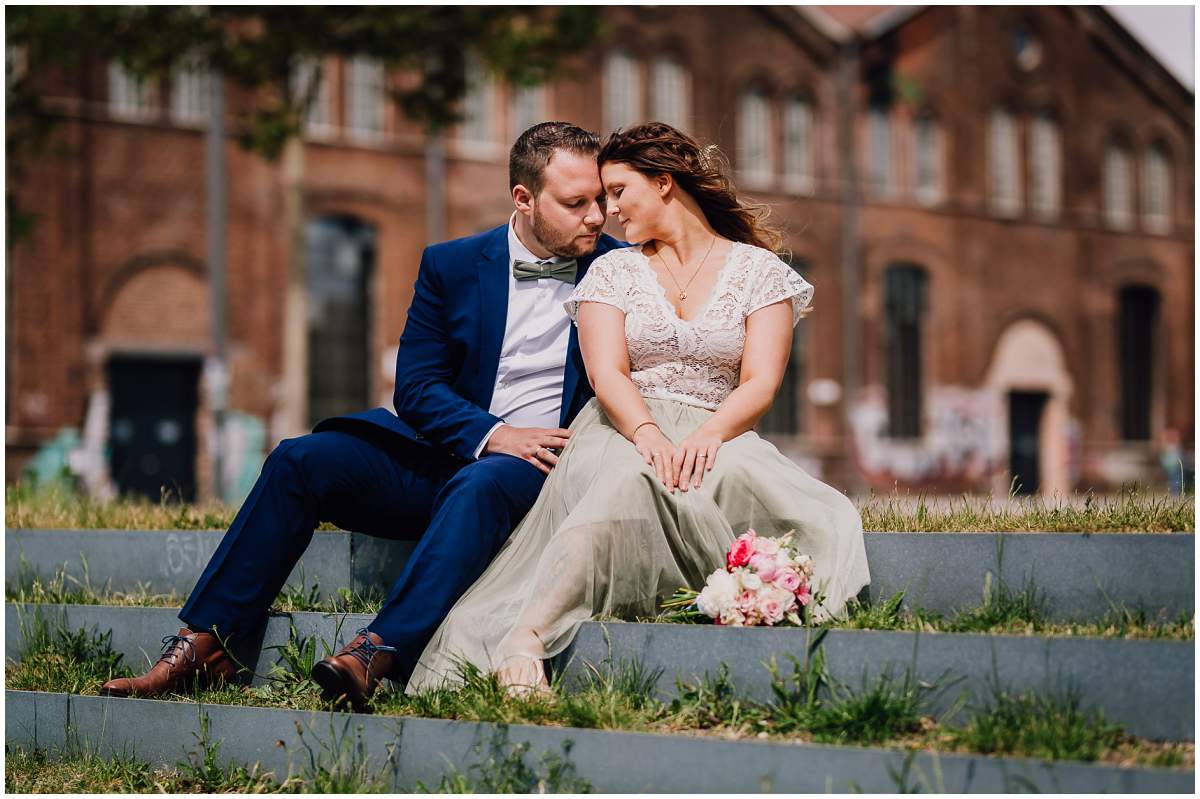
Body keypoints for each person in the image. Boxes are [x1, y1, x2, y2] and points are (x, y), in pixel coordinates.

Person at [99, 122, 623, 711]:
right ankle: (207, 645)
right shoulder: (450, 265)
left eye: (600, 199)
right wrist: (494, 433)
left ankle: (376, 652)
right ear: (523, 199)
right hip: (448, 454)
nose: (597, 216)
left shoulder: (621, 270)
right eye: (576, 203)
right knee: (301, 458)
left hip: (539, 471)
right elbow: (417, 388)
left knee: (481, 483)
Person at [407, 123, 872, 695]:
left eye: (619, 192)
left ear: (664, 183)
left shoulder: (759, 272)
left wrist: (710, 434)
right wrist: (646, 432)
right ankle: (525, 638)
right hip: (622, 426)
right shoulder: (613, 270)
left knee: (824, 516)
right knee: (630, 480)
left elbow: (761, 380)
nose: (609, 212)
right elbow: (608, 374)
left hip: (719, 429)